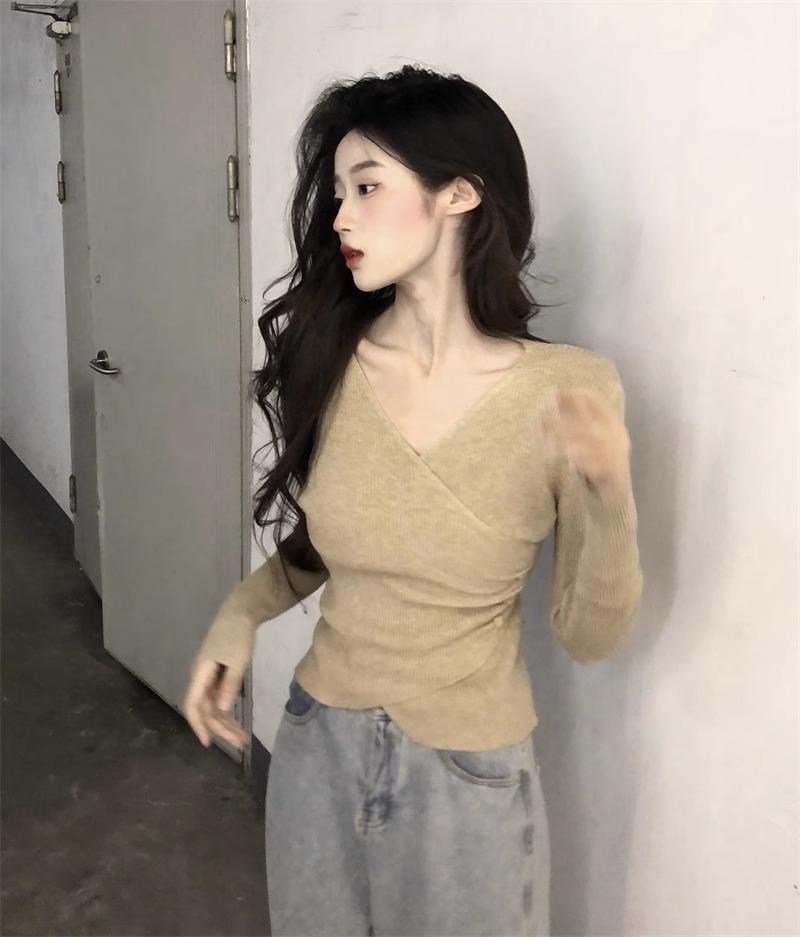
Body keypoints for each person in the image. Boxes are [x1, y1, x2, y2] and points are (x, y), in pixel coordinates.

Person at [183, 65, 643, 937]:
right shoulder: (332, 359)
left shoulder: (568, 388)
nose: (340, 217)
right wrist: (239, 615)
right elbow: (328, 546)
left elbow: (591, 636)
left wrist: (611, 494)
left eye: (366, 187)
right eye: (337, 193)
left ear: (458, 193)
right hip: (316, 745)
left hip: (468, 774)